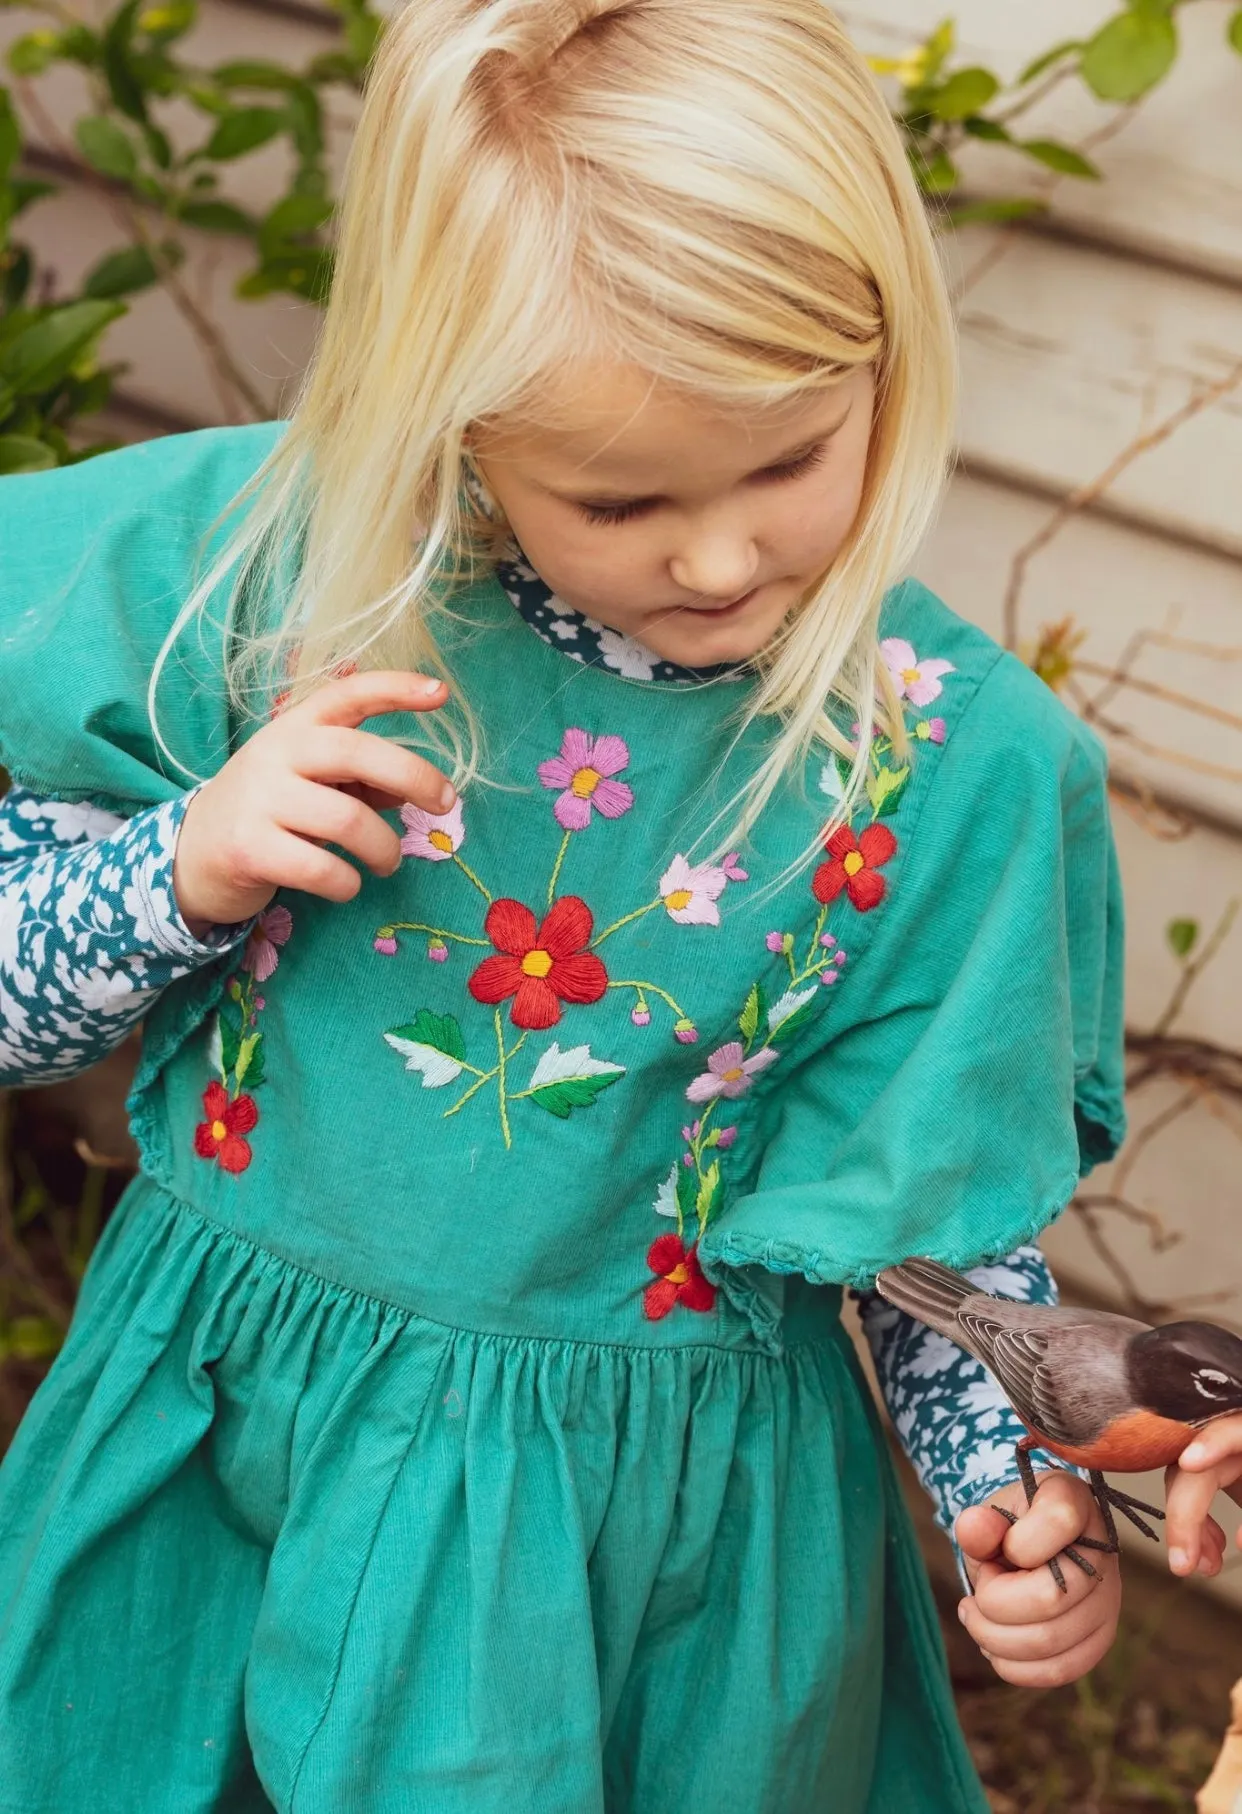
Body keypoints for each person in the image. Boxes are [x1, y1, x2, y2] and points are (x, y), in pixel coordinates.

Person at [0, 2, 1129, 1808]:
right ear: (452, 419)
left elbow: (924, 1236)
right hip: (217, 1470)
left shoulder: (952, 764)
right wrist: (182, 866)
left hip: (635, 1567)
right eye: (619, 497)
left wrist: (1004, 1484)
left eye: (787, 461)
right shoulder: (263, 583)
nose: (721, 558)